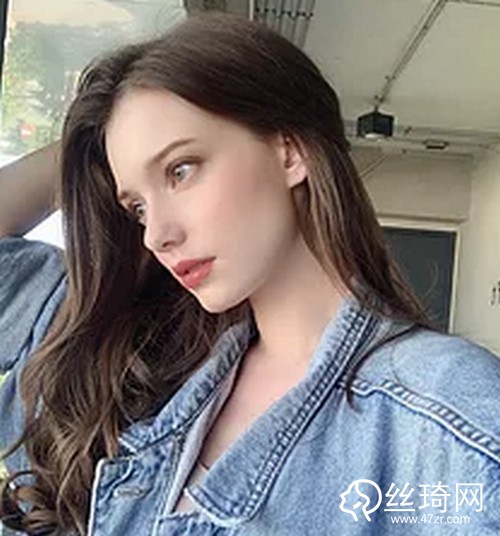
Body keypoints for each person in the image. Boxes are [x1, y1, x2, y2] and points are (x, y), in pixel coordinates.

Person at [1, 12, 499, 536]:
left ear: (290, 151)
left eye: (180, 170)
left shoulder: (442, 412)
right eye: (138, 208)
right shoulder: (145, 361)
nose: (156, 235)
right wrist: (102, 127)